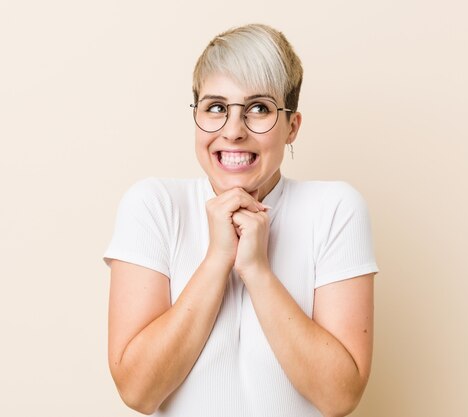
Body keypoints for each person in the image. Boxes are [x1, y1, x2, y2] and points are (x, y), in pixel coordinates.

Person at [102, 23, 379, 417]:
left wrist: (256, 270)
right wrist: (217, 259)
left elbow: (339, 398)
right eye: (216, 107)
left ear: (292, 128)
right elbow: (139, 392)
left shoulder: (335, 209)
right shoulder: (153, 205)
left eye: (259, 108)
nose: (233, 131)